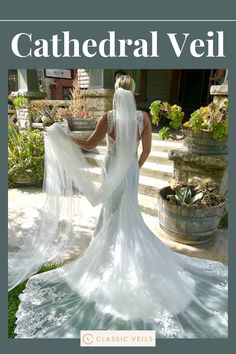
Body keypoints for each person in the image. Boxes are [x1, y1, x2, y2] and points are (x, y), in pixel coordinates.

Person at [12, 75, 227, 338]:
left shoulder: (108, 118)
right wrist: (135, 167)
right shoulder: (143, 118)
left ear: (115, 92)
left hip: (111, 168)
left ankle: (105, 252)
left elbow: (90, 144)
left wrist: (66, 138)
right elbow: (146, 149)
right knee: (129, 212)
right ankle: (120, 250)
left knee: (112, 211)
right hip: (129, 172)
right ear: (134, 92)